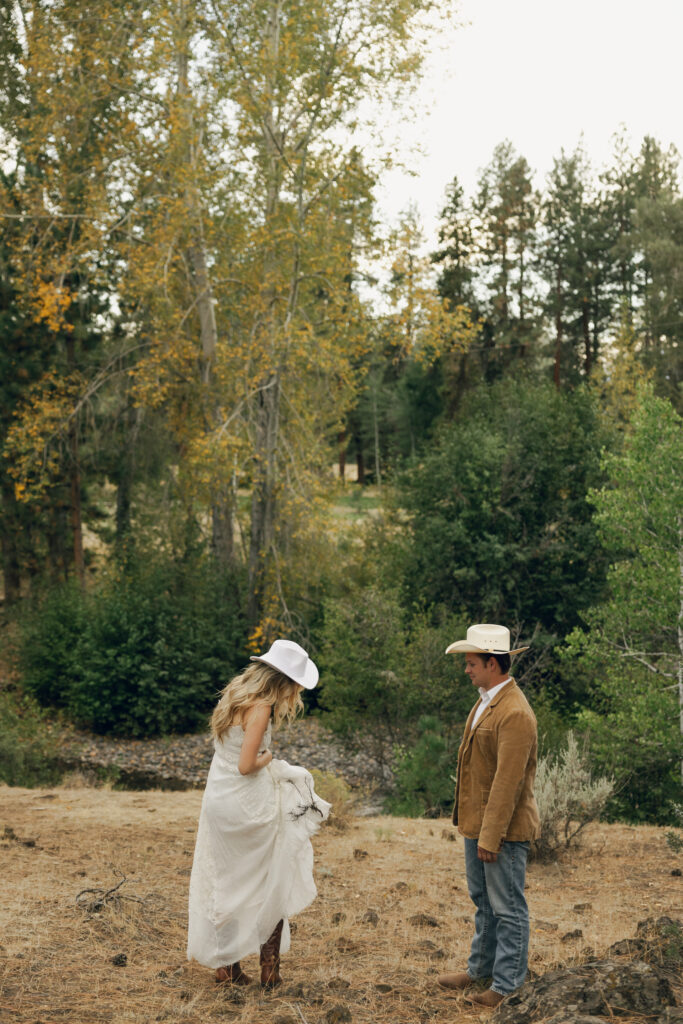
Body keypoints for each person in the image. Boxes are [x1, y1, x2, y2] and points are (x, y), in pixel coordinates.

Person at [187, 638, 330, 988]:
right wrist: (269, 756)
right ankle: (270, 970)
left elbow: (228, 755)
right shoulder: (261, 707)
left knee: (227, 880)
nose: (296, 692)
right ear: (283, 681)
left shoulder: (233, 693)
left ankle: (227, 967)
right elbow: (247, 765)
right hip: (246, 803)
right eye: (295, 685)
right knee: (272, 877)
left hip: (218, 799)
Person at [437, 623, 540, 1009]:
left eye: (472, 663)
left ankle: (508, 985)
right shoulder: (487, 698)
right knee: (484, 901)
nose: (467, 669)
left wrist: (490, 837)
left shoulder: (515, 712)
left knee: (508, 908)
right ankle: (480, 968)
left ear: (493, 664)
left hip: (503, 831)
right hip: (478, 825)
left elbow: (507, 782)